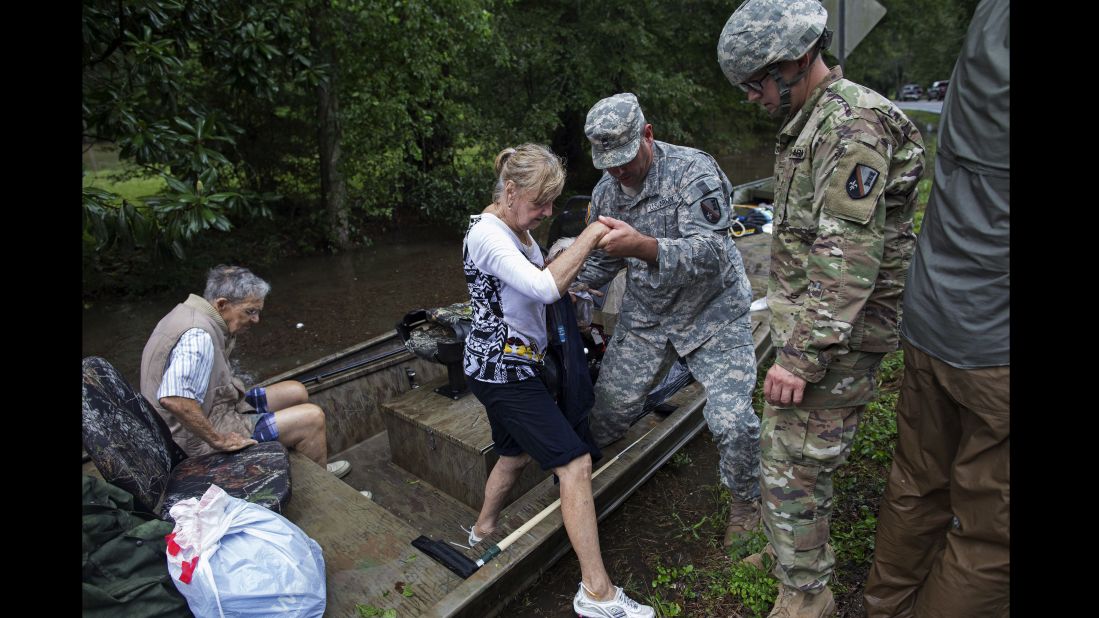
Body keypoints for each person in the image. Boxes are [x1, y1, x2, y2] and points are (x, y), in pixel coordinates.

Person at [716, 0, 926, 615]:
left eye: (756, 84)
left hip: (842, 333)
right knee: (788, 453)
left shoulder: (851, 126)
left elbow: (847, 254)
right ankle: (791, 555)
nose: (752, 99)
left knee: (795, 467)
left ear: (796, 62)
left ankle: (806, 597)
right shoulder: (816, 120)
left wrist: (802, 356)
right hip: (821, 324)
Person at [462, 144, 654, 618]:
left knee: (513, 453)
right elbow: (545, 287)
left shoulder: (515, 228)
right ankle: (597, 592)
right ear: (509, 191)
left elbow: (538, 281)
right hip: (502, 371)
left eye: (552, 203)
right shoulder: (488, 235)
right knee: (575, 464)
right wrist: (589, 234)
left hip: (510, 365)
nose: (547, 212)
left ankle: (481, 532)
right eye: (539, 203)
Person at [863, 1, 1010, 615]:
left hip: (932, 320)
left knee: (917, 484)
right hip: (996, 344)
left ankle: (885, 606)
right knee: (990, 532)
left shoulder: (989, 27)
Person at [573, 92, 761, 548]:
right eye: (608, 163)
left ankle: (746, 502)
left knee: (733, 420)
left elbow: (714, 255)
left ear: (648, 135)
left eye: (625, 158)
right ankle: (578, 488)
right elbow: (599, 267)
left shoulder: (693, 171)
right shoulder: (606, 193)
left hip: (711, 312)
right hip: (648, 316)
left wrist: (643, 246)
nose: (618, 171)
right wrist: (565, 286)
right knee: (605, 416)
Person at [140, 265, 362, 492]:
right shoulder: (198, 336)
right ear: (222, 304)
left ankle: (316, 467)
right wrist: (219, 440)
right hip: (190, 442)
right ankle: (324, 492)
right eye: (250, 311)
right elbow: (175, 399)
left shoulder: (192, 312)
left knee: (296, 391)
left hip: (218, 408)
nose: (256, 320)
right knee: (312, 418)